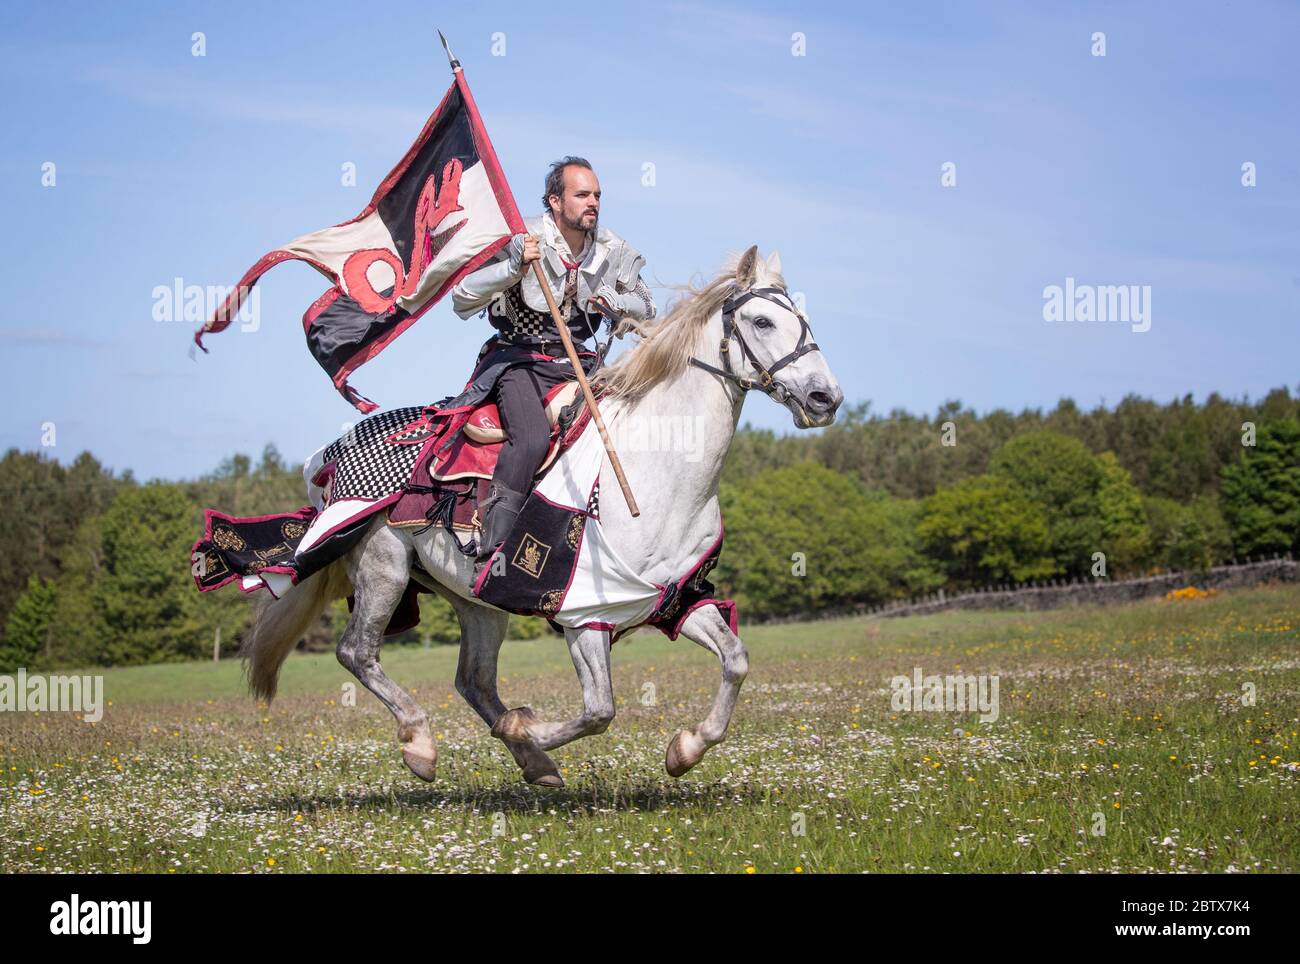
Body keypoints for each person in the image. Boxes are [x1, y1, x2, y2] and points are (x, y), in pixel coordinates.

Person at [451, 156, 657, 569]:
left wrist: (617, 303)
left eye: (597, 195)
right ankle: (494, 548)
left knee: (631, 431)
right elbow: (461, 297)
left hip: (581, 364)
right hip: (519, 360)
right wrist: (512, 268)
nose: (593, 202)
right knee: (528, 439)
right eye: (582, 195)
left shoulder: (612, 250)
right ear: (555, 201)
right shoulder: (519, 237)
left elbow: (647, 307)